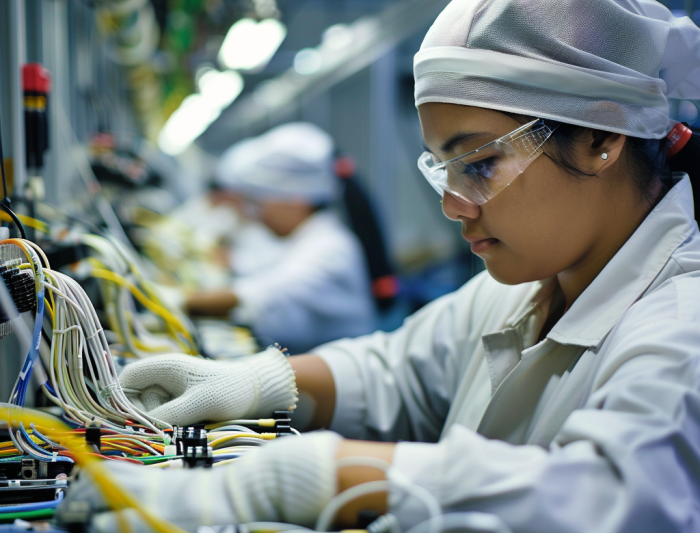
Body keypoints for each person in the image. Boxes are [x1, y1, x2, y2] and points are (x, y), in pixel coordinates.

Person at [57, 0, 700, 531]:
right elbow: (395, 372)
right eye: (442, 169)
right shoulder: (527, 287)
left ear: (601, 138)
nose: (452, 204)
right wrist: (255, 383)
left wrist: (314, 476)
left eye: (477, 164)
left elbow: (620, 500)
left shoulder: (682, 327)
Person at [185, 122, 376, 354]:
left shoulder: (331, 249)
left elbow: (267, 297)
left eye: (260, 204)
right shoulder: (302, 237)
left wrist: (178, 301)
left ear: (296, 200)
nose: (256, 216)